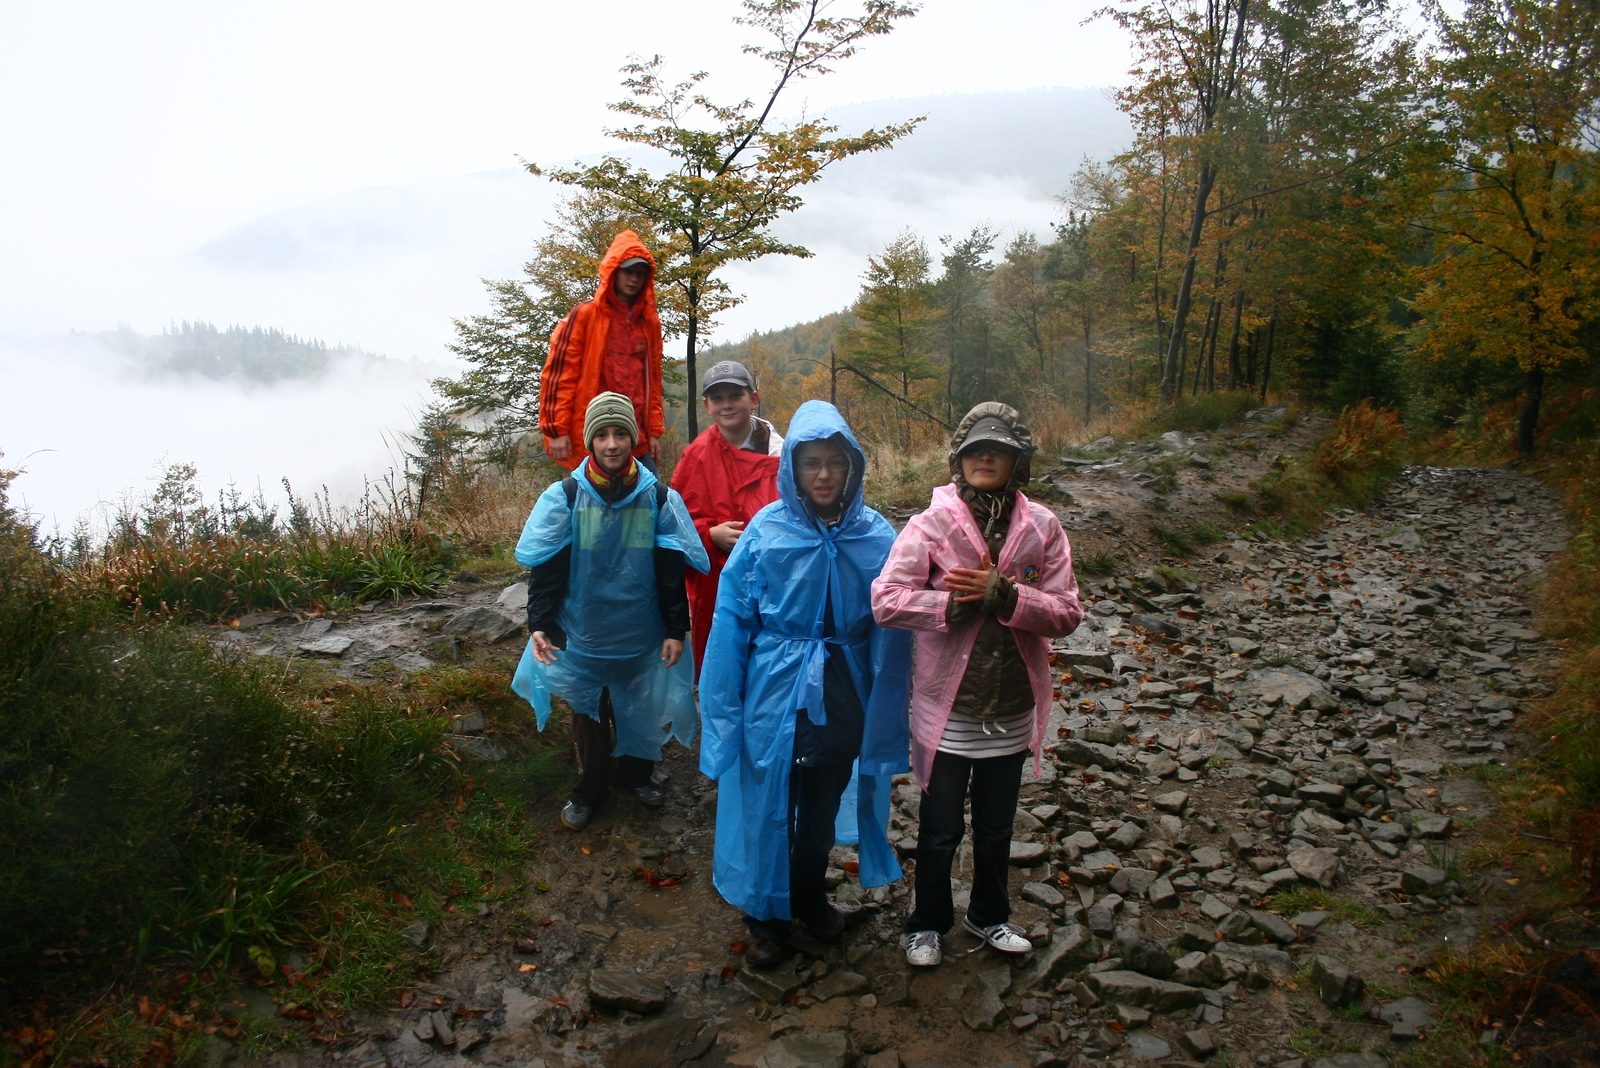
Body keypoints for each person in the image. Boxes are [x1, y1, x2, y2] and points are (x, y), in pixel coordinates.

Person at [699, 401, 912, 970]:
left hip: (842, 692)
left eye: (835, 463)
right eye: (811, 463)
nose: (823, 474)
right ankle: (765, 918)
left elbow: (893, 629)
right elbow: (730, 625)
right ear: (792, 467)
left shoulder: (875, 536)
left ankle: (809, 898)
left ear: (852, 467)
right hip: (774, 693)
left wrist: (892, 713)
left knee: (820, 803)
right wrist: (722, 713)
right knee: (768, 804)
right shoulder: (765, 533)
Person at [870, 402, 1082, 968]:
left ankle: (989, 915)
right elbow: (886, 600)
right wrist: (950, 604)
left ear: (1017, 461)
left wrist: (1010, 596)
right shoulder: (930, 524)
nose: (985, 457)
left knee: (995, 827)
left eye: (998, 450)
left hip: (1010, 707)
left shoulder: (1043, 527)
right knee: (939, 830)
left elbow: (1066, 611)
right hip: (949, 711)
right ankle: (926, 923)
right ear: (959, 459)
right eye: (975, 449)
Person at [511, 391, 710, 832]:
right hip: (583, 631)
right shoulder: (565, 498)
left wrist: (675, 628)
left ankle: (636, 775)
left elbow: (670, 570)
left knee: (641, 704)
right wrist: (540, 623)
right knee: (589, 712)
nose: (612, 444)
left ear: (633, 438)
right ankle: (590, 789)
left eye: (621, 433)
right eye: (602, 435)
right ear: (590, 441)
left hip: (640, 630)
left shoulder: (657, 499)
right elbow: (547, 569)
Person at [671, 359, 783, 674]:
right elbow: (674, 523)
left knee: (771, 664)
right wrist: (709, 534)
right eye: (718, 398)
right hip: (718, 585)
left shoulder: (781, 453)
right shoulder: (696, 456)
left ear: (754, 398)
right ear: (706, 405)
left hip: (772, 578)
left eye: (736, 395)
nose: (727, 404)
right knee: (724, 667)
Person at [539, 230, 665, 471]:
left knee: (650, 494)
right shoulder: (585, 316)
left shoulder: (649, 323)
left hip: (636, 438)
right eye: (628, 271)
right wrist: (556, 429)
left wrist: (654, 432)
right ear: (613, 271)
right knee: (588, 495)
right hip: (593, 438)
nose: (634, 279)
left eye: (640, 273)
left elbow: (653, 382)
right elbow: (560, 374)